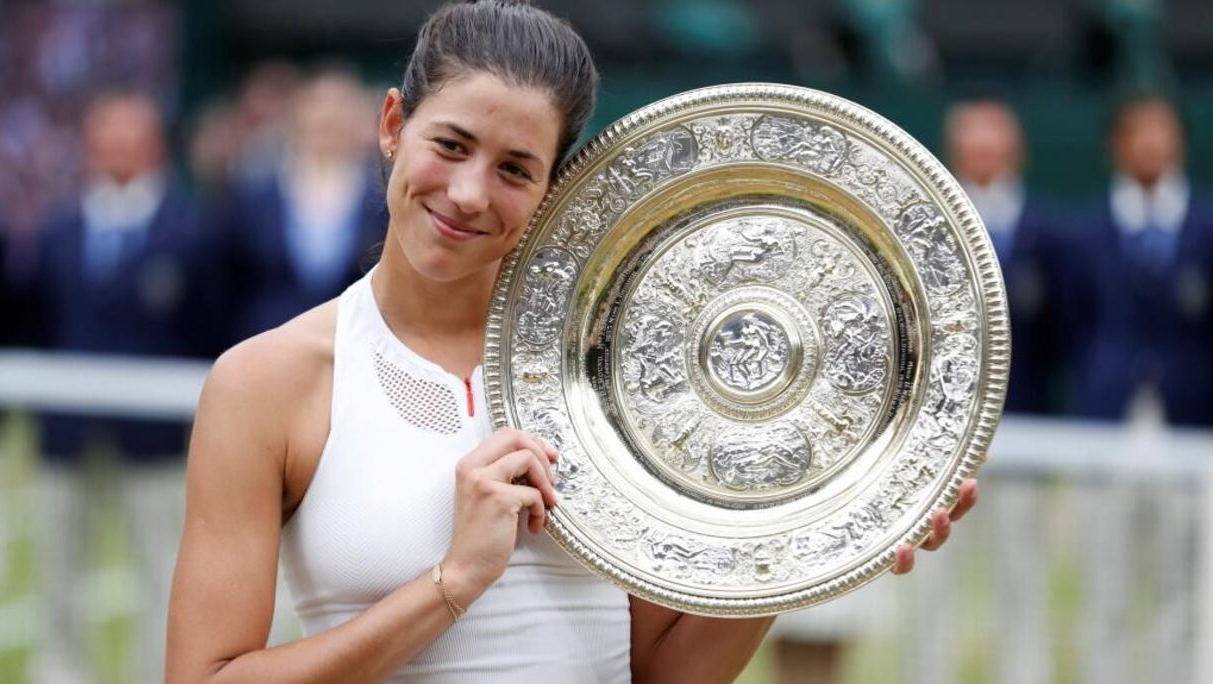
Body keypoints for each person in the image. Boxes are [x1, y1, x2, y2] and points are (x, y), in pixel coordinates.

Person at [167, 3, 976, 682]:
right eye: (449, 145)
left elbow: (660, 675)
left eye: (516, 169)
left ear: (554, 186)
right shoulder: (269, 382)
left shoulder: (619, 380)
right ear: (391, 125)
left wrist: (808, 536)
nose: (470, 192)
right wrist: (452, 584)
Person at [33, 89, 205, 684]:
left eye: (131, 132)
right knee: (58, 566)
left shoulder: (193, 231)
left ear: (155, 142)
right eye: (106, 132)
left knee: (164, 566)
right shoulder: (56, 229)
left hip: (156, 437)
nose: (117, 146)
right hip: (65, 434)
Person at [206, 67, 387, 352]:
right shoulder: (253, 195)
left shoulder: (382, 199)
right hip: (264, 350)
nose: (328, 119)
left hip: (354, 350)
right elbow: (222, 286)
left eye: (340, 108)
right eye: (318, 107)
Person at [1069, 93, 1213, 427]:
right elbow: (1071, 323)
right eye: (1136, 132)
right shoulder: (1086, 234)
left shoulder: (1206, 229)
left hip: (1195, 410)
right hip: (1105, 408)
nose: (1149, 144)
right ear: (1114, 145)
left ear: (1181, 142)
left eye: (1161, 132)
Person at [945, 98, 1070, 416]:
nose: (984, 145)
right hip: (950, 407)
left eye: (994, 135)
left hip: (1033, 404)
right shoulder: (930, 228)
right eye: (973, 135)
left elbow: (1067, 326)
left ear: (1017, 150)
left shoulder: (1052, 233)